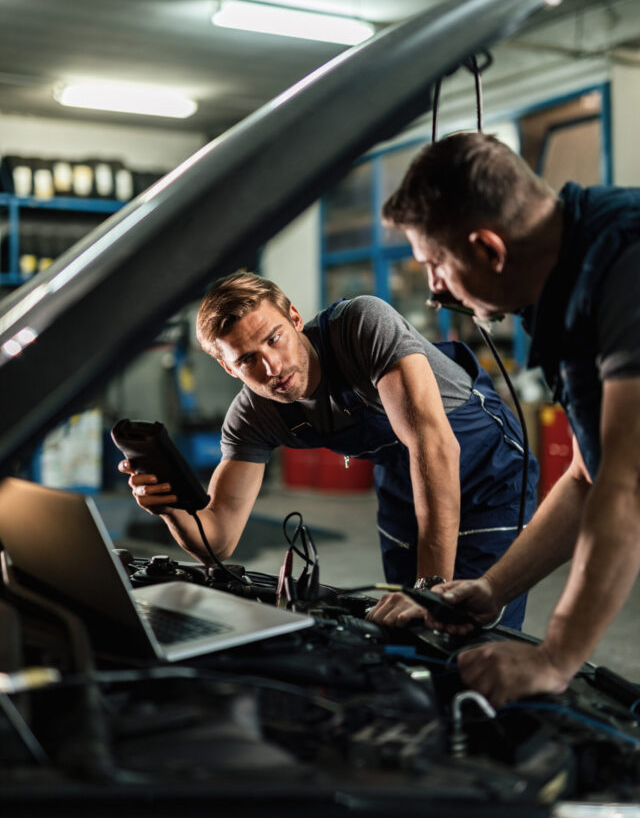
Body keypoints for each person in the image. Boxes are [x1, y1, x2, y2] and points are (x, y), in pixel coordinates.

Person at [373, 130, 640, 706]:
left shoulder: (628, 262)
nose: (435, 291)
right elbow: (590, 476)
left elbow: (629, 483)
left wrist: (555, 658)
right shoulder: (573, 287)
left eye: (435, 266)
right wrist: (494, 586)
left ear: (489, 250)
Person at [119, 271, 538, 629]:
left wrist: (428, 589)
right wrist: (170, 506)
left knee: (466, 623)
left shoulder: (361, 327)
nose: (272, 367)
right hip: (404, 481)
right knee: (402, 627)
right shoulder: (252, 415)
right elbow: (219, 539)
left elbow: (433, 446)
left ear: (296, 319)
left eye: (274, 339)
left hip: (488, 471)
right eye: (247, 359)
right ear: (228, 368)